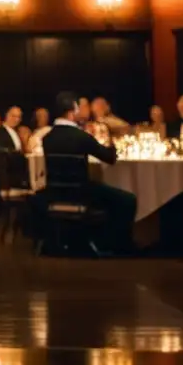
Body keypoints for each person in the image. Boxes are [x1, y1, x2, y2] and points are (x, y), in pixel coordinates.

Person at [39, 92, 137, 253]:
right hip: (81, 193)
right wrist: (110, 137)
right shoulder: (81, 137)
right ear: (72, 111)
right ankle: (118, 246)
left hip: (54, 193)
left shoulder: (47, 138)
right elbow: (109, 158)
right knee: (128, 200)